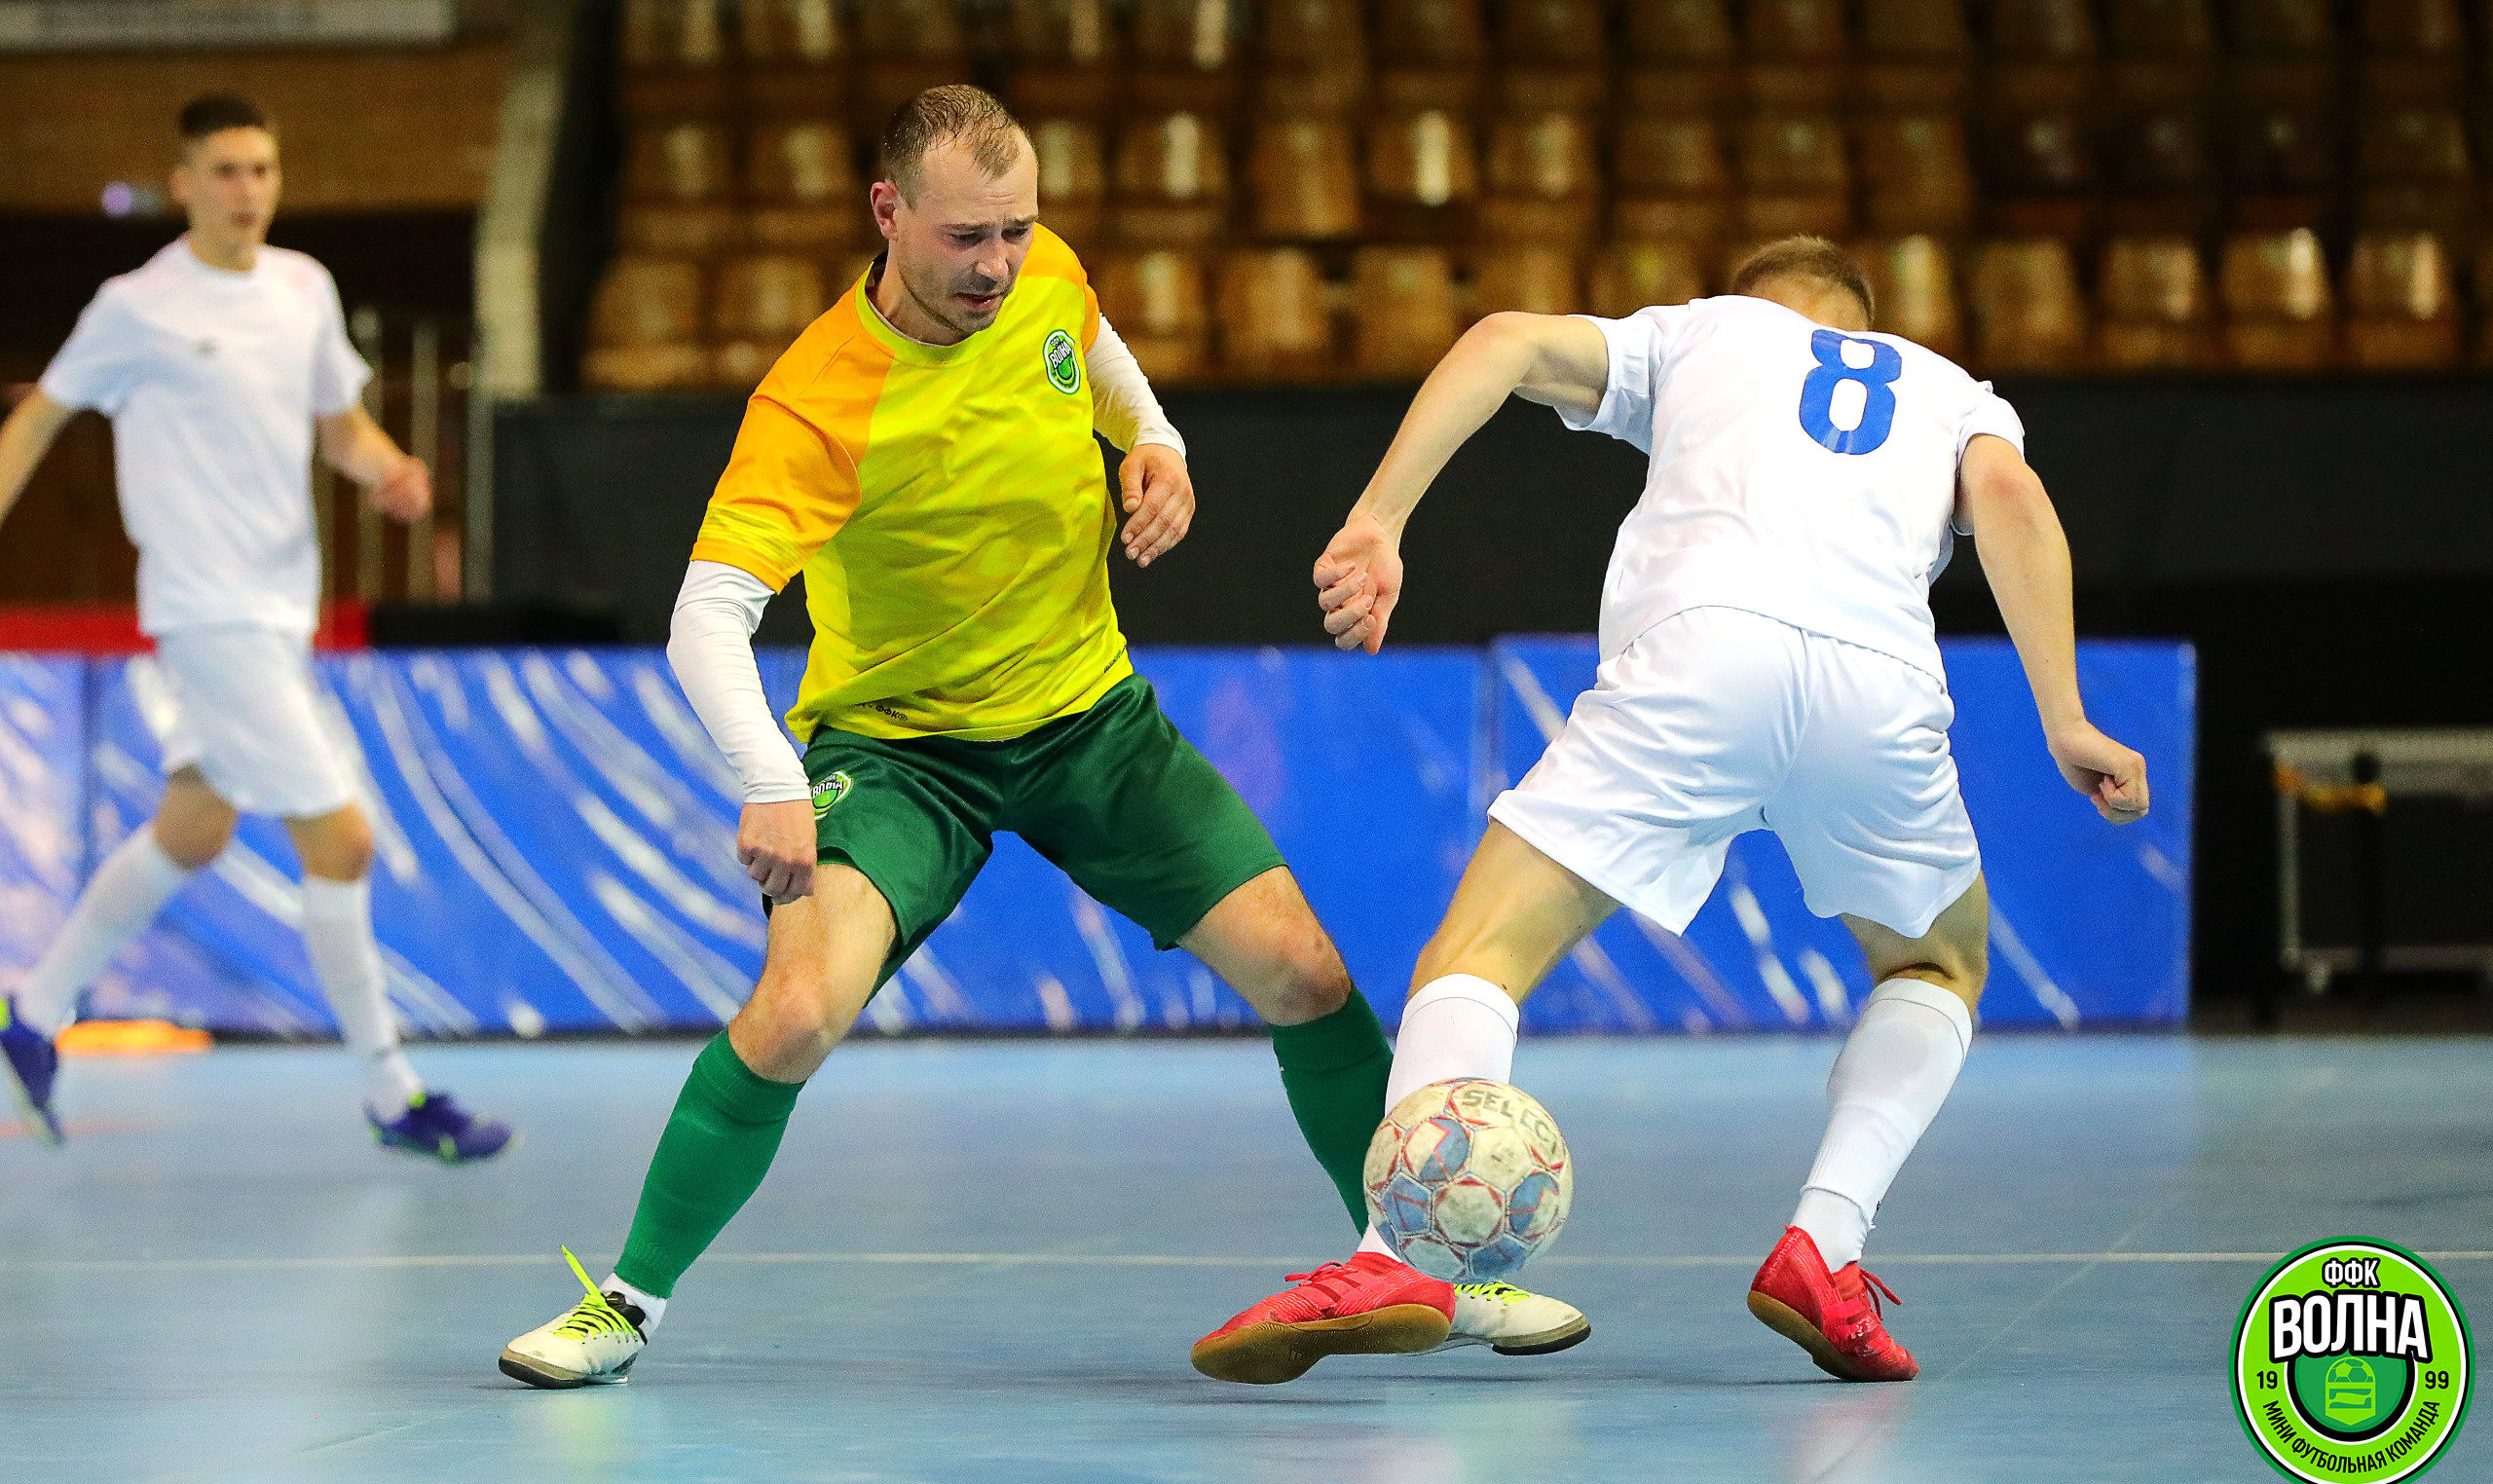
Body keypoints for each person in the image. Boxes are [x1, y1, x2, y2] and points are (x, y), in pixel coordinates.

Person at [497, 86, 1586, 1390]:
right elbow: (703, 617)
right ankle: (625, 1302)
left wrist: (1161, 444)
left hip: (1090, 723)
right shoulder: (816, 401)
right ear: (887, 212)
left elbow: (1103, 353)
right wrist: (769, 779)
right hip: (901, 753)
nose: (998, 264)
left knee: (1302, 969)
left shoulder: (1044, 276)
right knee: (792, 1012)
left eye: (1017, 229)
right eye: (968, 237)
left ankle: (1435, 1269)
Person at [1197, 237, 2150, 1386]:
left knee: (1479, 957)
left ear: (1756, 303)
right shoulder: (1947, 388)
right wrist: (2065, 716)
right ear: (1861, 317)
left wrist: (1380, 519)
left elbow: (1498, 339)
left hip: (1699, 658)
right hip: (1878, 689)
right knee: (1935, 968)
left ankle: (1396, 1253)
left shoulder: (1702, 329)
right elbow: (2009, 497)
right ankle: (1825, 1246)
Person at [0, 93, 511, 1163]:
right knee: (344, 838)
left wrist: (389, 472)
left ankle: (34, 1016)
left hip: (281, 612)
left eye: (262, 171)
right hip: (206, 610)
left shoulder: (303, 288)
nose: (247, 191)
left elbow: (340, 421)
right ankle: (392, 1093)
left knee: (196, 826)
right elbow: (40, 414)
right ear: (182, 182)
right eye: (225, 171)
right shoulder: (133, 305)